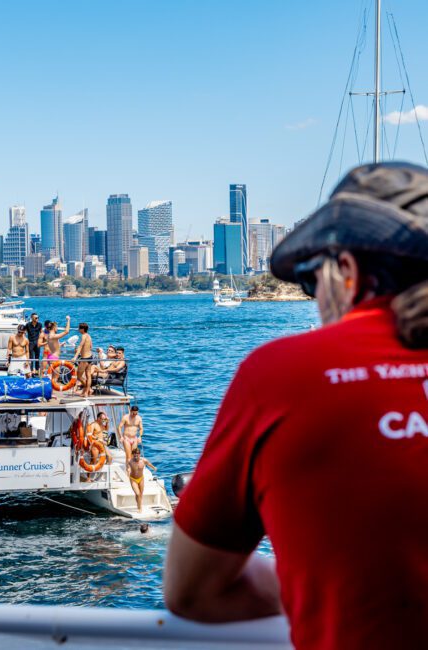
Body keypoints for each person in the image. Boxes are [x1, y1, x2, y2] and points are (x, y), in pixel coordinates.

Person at [164, 162, 428, 649]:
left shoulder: (282, 374)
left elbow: (193, 590)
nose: (314, 299)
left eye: (312, 281)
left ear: (347, 273)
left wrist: (330, 588)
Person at [126, 446, 156, 513]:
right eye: (134, 455)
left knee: (140, 494)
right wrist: (128, 471)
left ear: (139, 454)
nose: (136, 457)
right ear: (132, 455)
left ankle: (138, 505)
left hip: (141, 479)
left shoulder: (143, 460)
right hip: (133, 479)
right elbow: (127, 467)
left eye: (137, 455)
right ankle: (140, 508)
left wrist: (154, 468)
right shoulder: (130, 461)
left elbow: (149, 464)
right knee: (137, 493)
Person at [72, 322, 94, 396]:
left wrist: (75, 356)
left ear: (82, 329)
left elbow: (80, 346)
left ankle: (88, 389)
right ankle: (87, 392)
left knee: (79, 376)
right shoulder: (89, 336)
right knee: (88, 375)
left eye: (79, 328)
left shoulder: (83, 336)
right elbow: (91, 346)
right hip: (90, 357)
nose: (78, 329)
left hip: (85, 358)